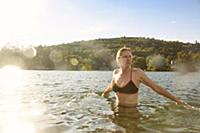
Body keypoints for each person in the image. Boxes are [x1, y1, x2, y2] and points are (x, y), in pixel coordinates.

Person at [102, 47, 191, 108]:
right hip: (116, 110)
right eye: (125, 57)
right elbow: (111, 86)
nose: (128, 59)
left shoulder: (137, 73)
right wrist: (104, 94)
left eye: (130, 56)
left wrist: (177, 100)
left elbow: (156, 87)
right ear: (118, 59)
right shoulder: (115, 72)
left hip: (132, 113)